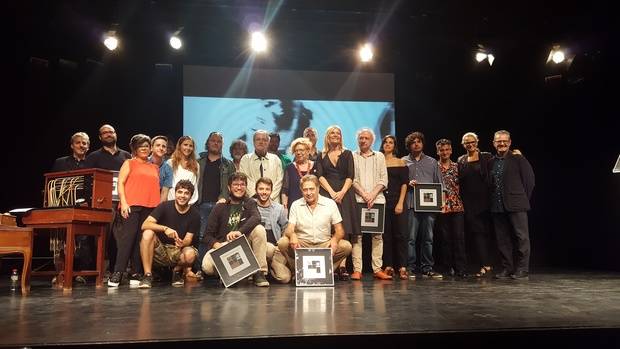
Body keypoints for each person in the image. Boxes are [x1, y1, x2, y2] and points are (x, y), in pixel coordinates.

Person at [108, 134, 161, 287]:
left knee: (141, 240)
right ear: (135, 149)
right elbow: (121, 184)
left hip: (150, 207)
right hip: (131, 205)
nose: (144, 148)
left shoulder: (155, 167)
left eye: (147, 145)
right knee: (128, 238)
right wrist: (123, 203)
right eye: (140, 146)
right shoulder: (129, 163)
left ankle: (136, 273)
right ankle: (118, 272)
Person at [200, 172, 270, 287]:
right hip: (225, 246)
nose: (239, 187)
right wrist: (217, 245)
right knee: (207, 267)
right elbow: (207, 235)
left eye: (242, 184)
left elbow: (257, 217)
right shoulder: (220, 207)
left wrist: (239, 232)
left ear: (246, 187)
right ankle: (233, 274)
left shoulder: (250, 203)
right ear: (229, 187)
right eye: (235, 185)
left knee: (259, 229)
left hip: (246, 245)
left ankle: (259, 273)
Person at [277, 174, 352, 275]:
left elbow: (340, 230)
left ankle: (327, 271)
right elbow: (289, 229)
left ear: (318, 188)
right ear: (301, 190)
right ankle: (297, 270)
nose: (308, 193)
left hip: (324, 244)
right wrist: (293, 235)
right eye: (305, 190)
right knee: (283, 243)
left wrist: (334, 240)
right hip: (302, 244)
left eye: (311, 189)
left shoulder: (330, 204)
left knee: (346, 246)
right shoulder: (296, 205)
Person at [84, 124, 132, 276]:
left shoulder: (127, 156)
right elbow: (86, 181)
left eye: (111, 131)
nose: (108, 134)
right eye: (105, 133)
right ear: (100, 137)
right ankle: (99, 272)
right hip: (102, 204)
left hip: (123, 203)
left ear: (116, 134)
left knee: (121, 238)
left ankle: (117, 270)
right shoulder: (93, 157)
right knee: (104, 238)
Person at [489, 130, 535, 280]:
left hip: (516, 204)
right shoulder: (491, 161)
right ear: (494, 143)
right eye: (498, 141)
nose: (501, 143)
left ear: (509, 142)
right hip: (497, 205)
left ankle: (522, 269)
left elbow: (529, 181)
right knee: (502, 238)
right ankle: (507, 268)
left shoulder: (518, 159)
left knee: (521, 237)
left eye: (504, 141)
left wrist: (522, 199)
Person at [138, 180, 201, 288]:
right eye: (180, 192)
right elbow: (145, 224)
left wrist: (182, 243)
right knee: (148, 233)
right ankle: (147, 275)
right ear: (175, 193)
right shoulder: (165, 206)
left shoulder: (195, 214)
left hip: (177, 250)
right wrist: (165, 228)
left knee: (190, 254)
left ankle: (176, 272)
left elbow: (188, 239)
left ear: (191, 196)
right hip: (160, 249)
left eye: (186, 193)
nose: (182, 196)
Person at [316, 125, 359, 280]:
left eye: (338, 133)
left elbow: (350, 176)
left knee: (344, 229)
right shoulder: (321, 155)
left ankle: (342, 267)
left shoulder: (347, 154)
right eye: (332, 133)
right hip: (327, 193)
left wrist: (341, 192)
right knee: (329, 229)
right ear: (327, 136)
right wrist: (332, 193)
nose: (335, 135)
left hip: (345, 194)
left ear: (341, 137)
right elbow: (320, 176)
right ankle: (330, 264)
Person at [50, 131, 91, 282]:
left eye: (85, 143)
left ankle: (81, 273)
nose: (82, 145)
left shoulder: (92, 162)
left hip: (85, 207)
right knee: (61, 239)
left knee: (83, 239)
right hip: (62, 206)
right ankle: (60, 272)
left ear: (88, 146)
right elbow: (51, 183)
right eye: (78, 142)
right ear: (72, 145)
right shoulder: (60, 162)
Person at [402, 131, 443, 279]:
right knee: (411, 238)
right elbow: (399, 183)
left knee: (428, 238)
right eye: (413, 142)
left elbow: (440, 184)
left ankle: (427, 267)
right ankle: (410, 267)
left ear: (422, 143)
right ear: (409, 145)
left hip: (429, 206)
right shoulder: (403, 161)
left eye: (419, 141)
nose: (416, 144)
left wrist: (441, 203)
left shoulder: (432, 162)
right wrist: (408, 182)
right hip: (411, 204)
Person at [351, 128, 391, 280]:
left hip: (377, 200)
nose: (363, 140)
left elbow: (383, 179)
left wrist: (372, 195)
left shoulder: (379, 156)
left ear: (372, 140)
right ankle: (357, 269)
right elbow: (352, 179)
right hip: (359, 200)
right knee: (357, 236)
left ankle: (377, 269)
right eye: (361, 138)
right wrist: (364, 194)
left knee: (377, 236)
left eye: (366, 138)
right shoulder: (353, 156)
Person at [195, 132, 235, 276]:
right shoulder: (199, 162)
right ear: (208, 142)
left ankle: (221, 270)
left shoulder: (227, 164)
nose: (216, 143)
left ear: (222, 144)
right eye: (213, 140)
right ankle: (200, 269)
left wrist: (225, 198)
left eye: (219, 141)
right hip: (202, 204)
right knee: (202, 236)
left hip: (221, 205)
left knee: (220, 236)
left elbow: (233, 184)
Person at [457, 132, 495, 278]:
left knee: (490, 233)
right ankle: (485, 264)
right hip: (469, 203)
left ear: (477, 141)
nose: (470, 144)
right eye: (467, 142)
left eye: (472, 141)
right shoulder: (461, 160)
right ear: (463, 144)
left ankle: (494, 264)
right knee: (477, 234)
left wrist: (515, 154)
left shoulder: (486, 156)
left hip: (487, 202)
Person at [435, 139, 467, 278]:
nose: (445, 152)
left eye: (447, 149)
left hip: (457, 206)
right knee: (445, 239)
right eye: (442, 150)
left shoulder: (458, 166)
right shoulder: (434, 167)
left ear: (451, 150)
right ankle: (447, 268)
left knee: (459, 238)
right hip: (442, 207)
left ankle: (461, 269)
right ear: (438, 151)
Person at [380, 135, 410, 280]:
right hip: (382, 202)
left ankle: (402, 267)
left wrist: (400, 202)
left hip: (398, 201)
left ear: (395, 145)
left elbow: (405, 183)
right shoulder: (378, 161)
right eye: (385, 142)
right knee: (386, 236)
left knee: (401, 235)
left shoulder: (401, 162)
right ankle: (389, 266)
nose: (388, 144)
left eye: (391, 142)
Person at [254, 177, 292, 283]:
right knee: (268, 249)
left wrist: (282, 240)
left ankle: (269, 270)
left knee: (285, 278)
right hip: (255, 249)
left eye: (267, 189)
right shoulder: (250, 205)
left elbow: (285, 227)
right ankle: (259, 271)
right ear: (256, 190)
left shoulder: (279, 208)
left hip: (274, 249)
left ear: (271, 191)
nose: (264, 192)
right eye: (261, 189)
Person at [239, 130, 283, 203]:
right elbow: (245, 179)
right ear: (253, 142)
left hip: (273, 202)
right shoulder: (245, 159)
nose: (261, 142)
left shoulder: (276, 159)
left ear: (268, 142)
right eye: (258, 139)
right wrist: (257, 197)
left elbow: (279, 180)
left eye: (264, 140)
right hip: (252, 201)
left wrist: (269, 197)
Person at [281, 137, 317, 209]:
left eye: (301, 150)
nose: (298, 153)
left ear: (308, 151)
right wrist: (285, 207)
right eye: (296, 150)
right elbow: (285, 190)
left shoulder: (316, 166)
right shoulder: (289, 168)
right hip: (295, 207)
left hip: (314, 207)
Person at [164, 136, 200, 205]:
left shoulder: (196, 165)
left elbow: (196, 185)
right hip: (172, 202)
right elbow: (166, 187)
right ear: (180, 146)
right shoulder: (170, 162)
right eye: (185, 145)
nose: (188, 148)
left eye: (190, 146)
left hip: (190, 204)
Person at [149, 135, 174, 203]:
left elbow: (164, 193)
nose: (161, 148)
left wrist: (158, 211)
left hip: (155, 204)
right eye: (158, 145)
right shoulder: (143, 162)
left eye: (163, 146)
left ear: (166, 150)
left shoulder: (168, 169)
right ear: (151, 148)